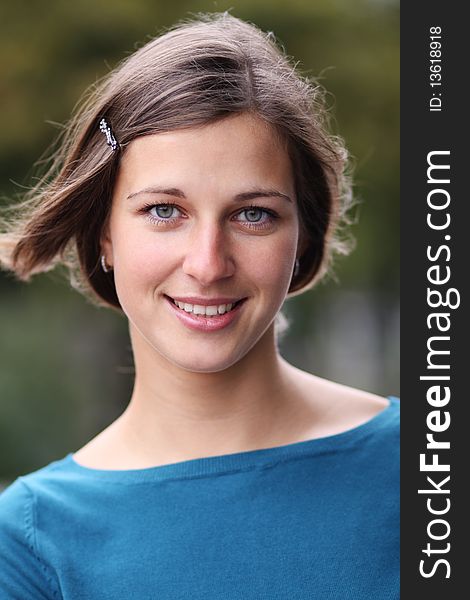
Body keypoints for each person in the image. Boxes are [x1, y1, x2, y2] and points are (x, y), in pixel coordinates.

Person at [0, 12, 399, 599]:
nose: (208, 264)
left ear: (304, 237)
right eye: (164, 211)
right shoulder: (31, 541)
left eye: (253, 214)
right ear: (105, 233)